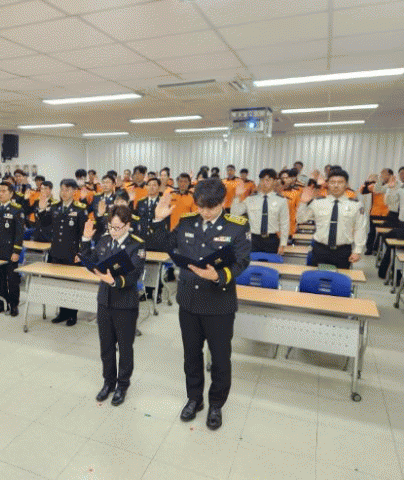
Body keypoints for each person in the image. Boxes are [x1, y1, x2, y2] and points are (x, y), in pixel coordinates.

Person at [153, 178, 251, 430]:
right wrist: (159, 221)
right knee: (191, 355)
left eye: (211, 207)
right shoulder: (187, 221)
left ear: (223, 202)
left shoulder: (237, 226)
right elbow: (165, 246)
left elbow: (242, 261)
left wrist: (218, 275)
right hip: (189, 302)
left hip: (219, 303)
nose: (205, 212)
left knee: (220, 359)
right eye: (200, 207)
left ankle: (216, 404)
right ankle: (194, 399)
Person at [81, 206, 145, 406]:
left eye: (118, 227)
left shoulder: (137, 245)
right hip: (104, 301)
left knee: (125, 348)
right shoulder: (105, 240)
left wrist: (114, 281)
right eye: (111, 227)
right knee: (106, 346)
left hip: (125, 303)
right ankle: (108, 382)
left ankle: (122, 385)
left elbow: (134, 274)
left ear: (128, 225)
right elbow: (90, 261)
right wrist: (85, 240)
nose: (114, 231)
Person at [39, 179, 87, 326]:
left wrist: (81, 253)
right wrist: (42, 210)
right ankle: (62, 313)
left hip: (72, 253)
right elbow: (44, 224)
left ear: (74, 191)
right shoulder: (55, 207)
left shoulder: (80, 209)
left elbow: (83, 234)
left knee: (71, 285)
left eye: (67, 190)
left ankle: (72, 314)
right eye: (62, 189)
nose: (64, 193)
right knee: (59, 284)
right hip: (56, 252)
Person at [297, 168, 367, 269]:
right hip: (319, 249)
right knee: (315, 277)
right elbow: (300, 219)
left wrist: (357, 251)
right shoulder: (318, 202)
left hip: (343, 251)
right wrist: (303, 203)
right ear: (327, 184)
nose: (336, 185)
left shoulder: (356, 205)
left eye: (340, 182)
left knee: (340, 278)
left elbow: (360, 228)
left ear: (346, 184)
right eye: (332, 182)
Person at [0, 181, 25, 317]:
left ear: (11, 193)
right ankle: (2, 303)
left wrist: (16, 252)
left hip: (10, 251)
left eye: (4, 191)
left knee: (13, 280)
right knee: (0, 279)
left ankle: (14, 305)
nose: (1, 194)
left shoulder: (16, 209)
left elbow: (19, 233)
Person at [231, 169, 289, 254]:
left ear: (274, 182)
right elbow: (235, 213)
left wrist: (283, 244)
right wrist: (237, 197)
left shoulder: (281, 200)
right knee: (252, 262)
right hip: (253, 239)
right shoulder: (250, 199)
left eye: (268, 180)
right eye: (262, 180)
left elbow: (284, 223)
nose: (264, 183)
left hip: (272, 240)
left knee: (271, 262)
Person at [362, 169, 392, 254]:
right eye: (382, 174)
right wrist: (369, 181)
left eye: (385, 174)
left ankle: (377, 249)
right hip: (374, 212)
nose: (384, 176)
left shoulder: (390, 186)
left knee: (382, 233)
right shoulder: (375, 185)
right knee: (372, 232)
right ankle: (369, 249)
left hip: (386, 213)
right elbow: (364, 190)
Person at [279, 168, 303, 237]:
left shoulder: (297, 192)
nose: (285, 180)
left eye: (287, 178)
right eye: (282, 178)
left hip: (290, 225)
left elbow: (298, 209)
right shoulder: (276, 192)